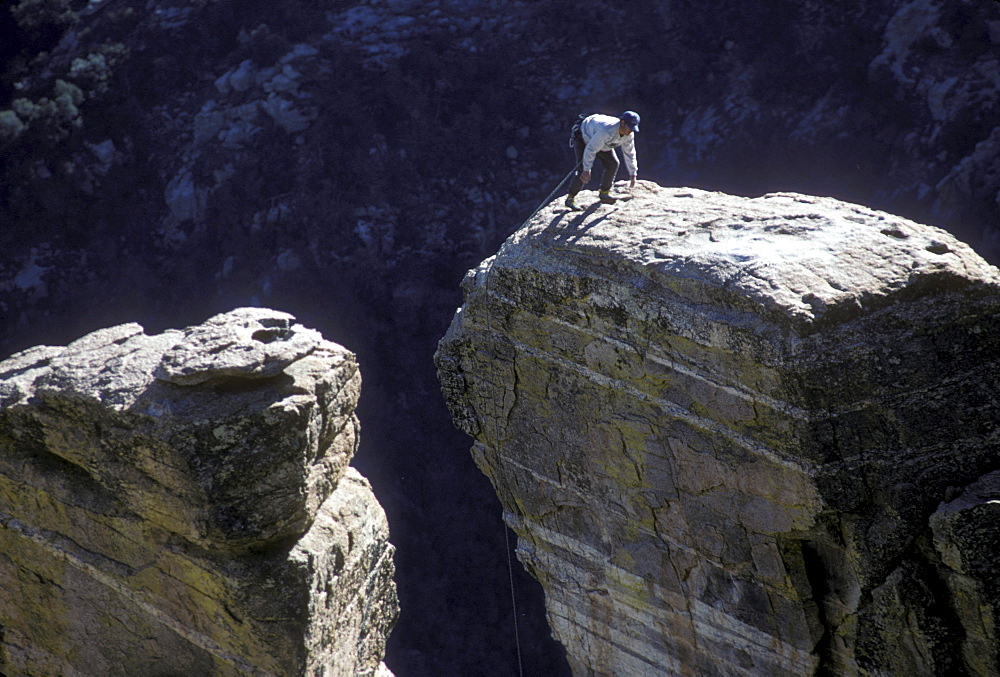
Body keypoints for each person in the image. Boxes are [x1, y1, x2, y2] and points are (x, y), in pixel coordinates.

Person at [565, 111, 640, 210]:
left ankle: (604, 193)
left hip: (602, 142)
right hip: (584, 135)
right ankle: (570, 198)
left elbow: (629, 152)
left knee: (612, 164)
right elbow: (591, 149)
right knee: (582, 169)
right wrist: (587, 169)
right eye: (629, 127)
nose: (631, 130)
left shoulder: (629, 134)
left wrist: (633, 172)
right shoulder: (607, 130)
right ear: (622, 122)